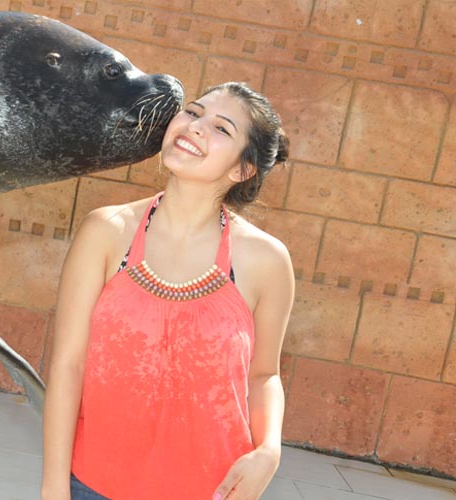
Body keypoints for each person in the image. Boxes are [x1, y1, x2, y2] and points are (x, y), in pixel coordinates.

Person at [41, 82, 294, 500]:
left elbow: (264, 374)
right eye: (193, 112)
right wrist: (53, 487)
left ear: (242, 169)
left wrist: (269, 450)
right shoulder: (106, 231)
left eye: (221, 128)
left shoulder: (266, 260)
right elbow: (68, 366)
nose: (195, 126)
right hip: (92, 484)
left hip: (212, 489)